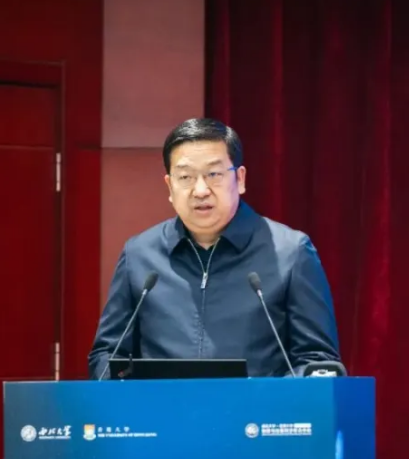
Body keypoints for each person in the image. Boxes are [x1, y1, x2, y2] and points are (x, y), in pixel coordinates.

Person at [88, 118, 340, 379]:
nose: (200, 190)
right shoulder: (140, 255)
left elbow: (317, 361)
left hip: (257, 405)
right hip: (162, 406)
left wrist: (267, 395)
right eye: (185, 177)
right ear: (170, 186)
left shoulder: (289, 252)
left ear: (240, 179)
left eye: (214, 174)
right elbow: (107, 354)